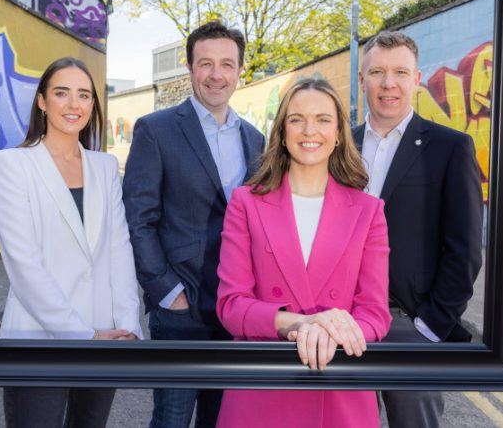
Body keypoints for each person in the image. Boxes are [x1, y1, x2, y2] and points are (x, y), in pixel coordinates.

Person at [216, 78, 391, 428]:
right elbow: (231, 306)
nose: (310, 130)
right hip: (263, 388)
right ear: (281, 132)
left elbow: (375, 313)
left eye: (323, 119)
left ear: (339, 132)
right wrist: (302, 324)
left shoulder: (369, 210)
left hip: (340, 386)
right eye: (297, 119)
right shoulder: (245, 203)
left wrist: (334, 330)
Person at [122, 21, 266, 428]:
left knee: (222, 419)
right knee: (171, 418)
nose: (216, 75)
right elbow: (139, 219)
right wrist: (166, 291)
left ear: (240, 70)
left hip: (234, 306)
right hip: (178, 307)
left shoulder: (256, 139)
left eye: (226, 64)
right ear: (190, 68)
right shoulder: (157, 129)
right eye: (205, 64)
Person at [0, 57, 142, 428]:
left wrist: (127, 327)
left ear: (93, 105)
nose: (74, 105)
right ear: (42, 101)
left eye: (84, 95)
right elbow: (23, 266)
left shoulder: (105, 167)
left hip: (106, 334)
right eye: (62, 93)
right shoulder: (10, 164)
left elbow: (119, 250)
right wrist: (84, 336)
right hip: (37, 338)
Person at [352, 31, 484, 428]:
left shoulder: (449, 147)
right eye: (377, 72)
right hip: (340, 317)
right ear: (362, 80)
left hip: (408, 321)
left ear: (417, 79)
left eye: (399, 72)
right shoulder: (340, 144)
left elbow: (466, 248)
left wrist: (431, 325)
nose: (388, 83)